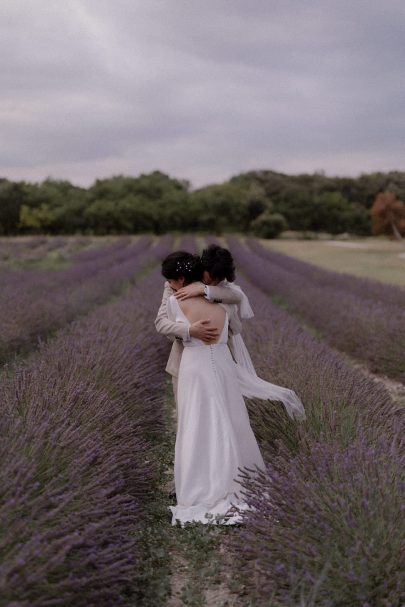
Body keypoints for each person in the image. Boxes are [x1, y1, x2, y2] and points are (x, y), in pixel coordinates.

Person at [157, 251, 306, 527]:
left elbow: (170, 322)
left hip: (196, 367)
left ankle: (196, 486)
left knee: (195, 424)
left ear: (181, 278)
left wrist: (195, 310)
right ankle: (234, 482)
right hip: (219, 364)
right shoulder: (222, 303)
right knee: (229, 420)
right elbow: (233, 322)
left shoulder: (181, 300)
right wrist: (197, 326)